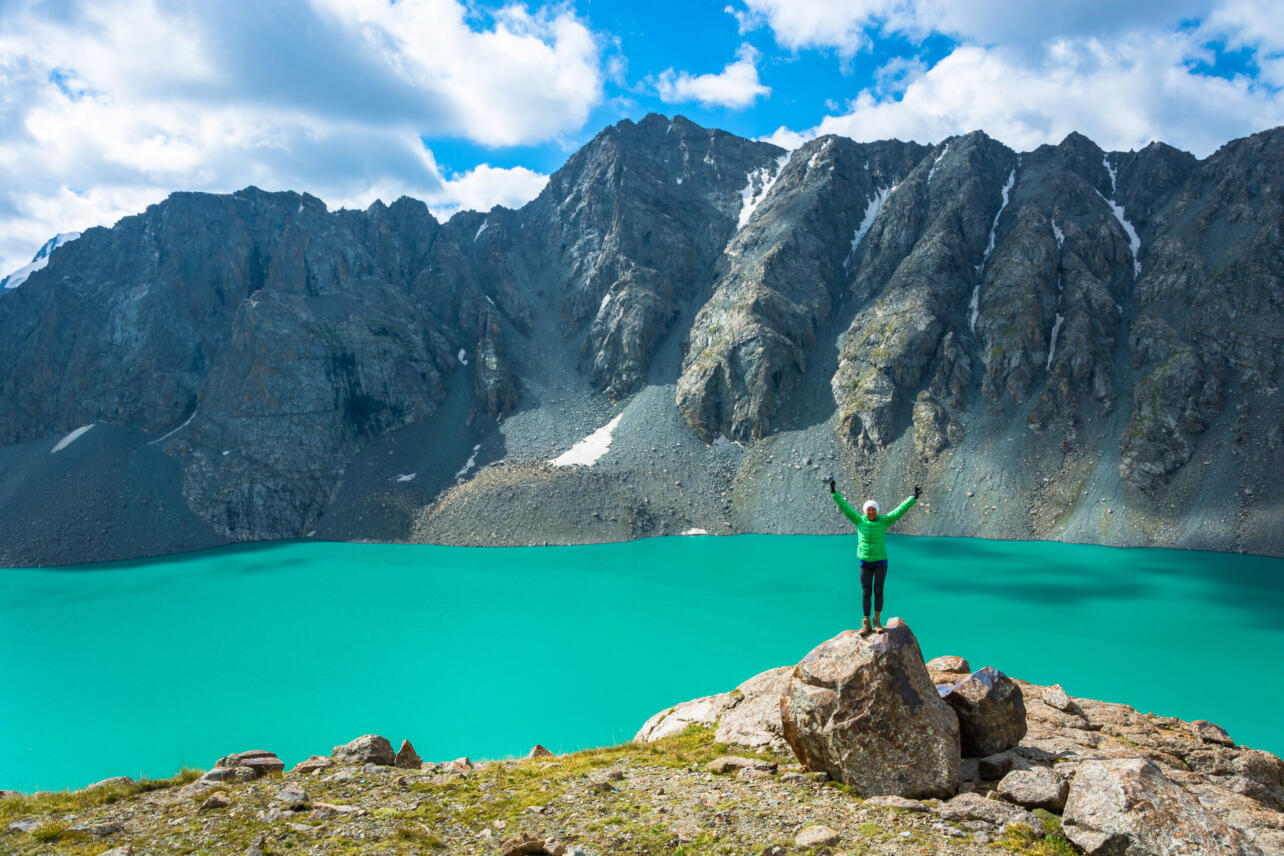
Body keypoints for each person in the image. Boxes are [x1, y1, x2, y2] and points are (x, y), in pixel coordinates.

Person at [827, 478, 921, 636]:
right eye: (868, 510)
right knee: (866, 592)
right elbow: (846, 508)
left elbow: (900, 511)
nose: (871, 512)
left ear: (877, 511)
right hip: (865, 562)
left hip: (880, 562)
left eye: (873, 510)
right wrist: (834, 493)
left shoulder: (884, 521)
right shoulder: (859, 521)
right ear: (865, 511)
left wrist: (913, 498)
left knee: (878, 590)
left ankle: (877, 621)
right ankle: (866, 623)